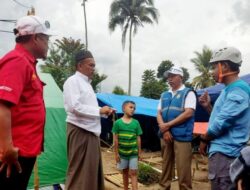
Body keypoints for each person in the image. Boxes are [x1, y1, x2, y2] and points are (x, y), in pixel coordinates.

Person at [0, 15, 53, 190]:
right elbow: (2, 105)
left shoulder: (27, 63)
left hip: (23, 151)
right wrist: (7, 148)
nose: (48, 44)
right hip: (13, 154)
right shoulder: (17, 61)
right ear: (36, 38)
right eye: (46, 39)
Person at [199, 47, 250, 190]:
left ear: (225, 66)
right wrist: (208, 107)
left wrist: (203, 139)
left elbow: (221, 124)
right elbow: (223, 119)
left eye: (215, 67)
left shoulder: (237, 90)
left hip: (225, 155)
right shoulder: (228, 90)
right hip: (224, 154)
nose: (212, 71)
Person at [63, 50, 114, 190]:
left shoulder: (87, 84)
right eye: (90, 65)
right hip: (80, 132)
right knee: (79, 174)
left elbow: (88, 108)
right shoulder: (72, 81)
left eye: (94, 65)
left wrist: (105, 112)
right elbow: (74, 107)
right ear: (80, 65)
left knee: (90, 174)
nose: (93, 68)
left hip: (91, 133)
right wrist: (99, 110)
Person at [157, 66, 197, 190]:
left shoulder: (188, 93)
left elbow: (188, 112)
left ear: (181, 77)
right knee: (166, 166)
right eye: (168, 77)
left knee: (183, 169)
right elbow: (158, 113)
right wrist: (165, 130)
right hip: (165, 135)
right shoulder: (164, 94)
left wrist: (167, 125)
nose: (170, 79)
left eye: (173, 76)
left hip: (182, 137)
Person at [112, 100, 143, 190]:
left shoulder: (136, 122)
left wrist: (139, 152)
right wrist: (116, 154)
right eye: (130, 107)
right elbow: (116, 140)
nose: (133, 109)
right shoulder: (117, 123)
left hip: (133, 153)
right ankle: (125, 188)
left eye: (134, 108)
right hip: (122, 153)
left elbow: (138, 138)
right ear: (123, 108)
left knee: (133, 173)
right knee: (125, 172)